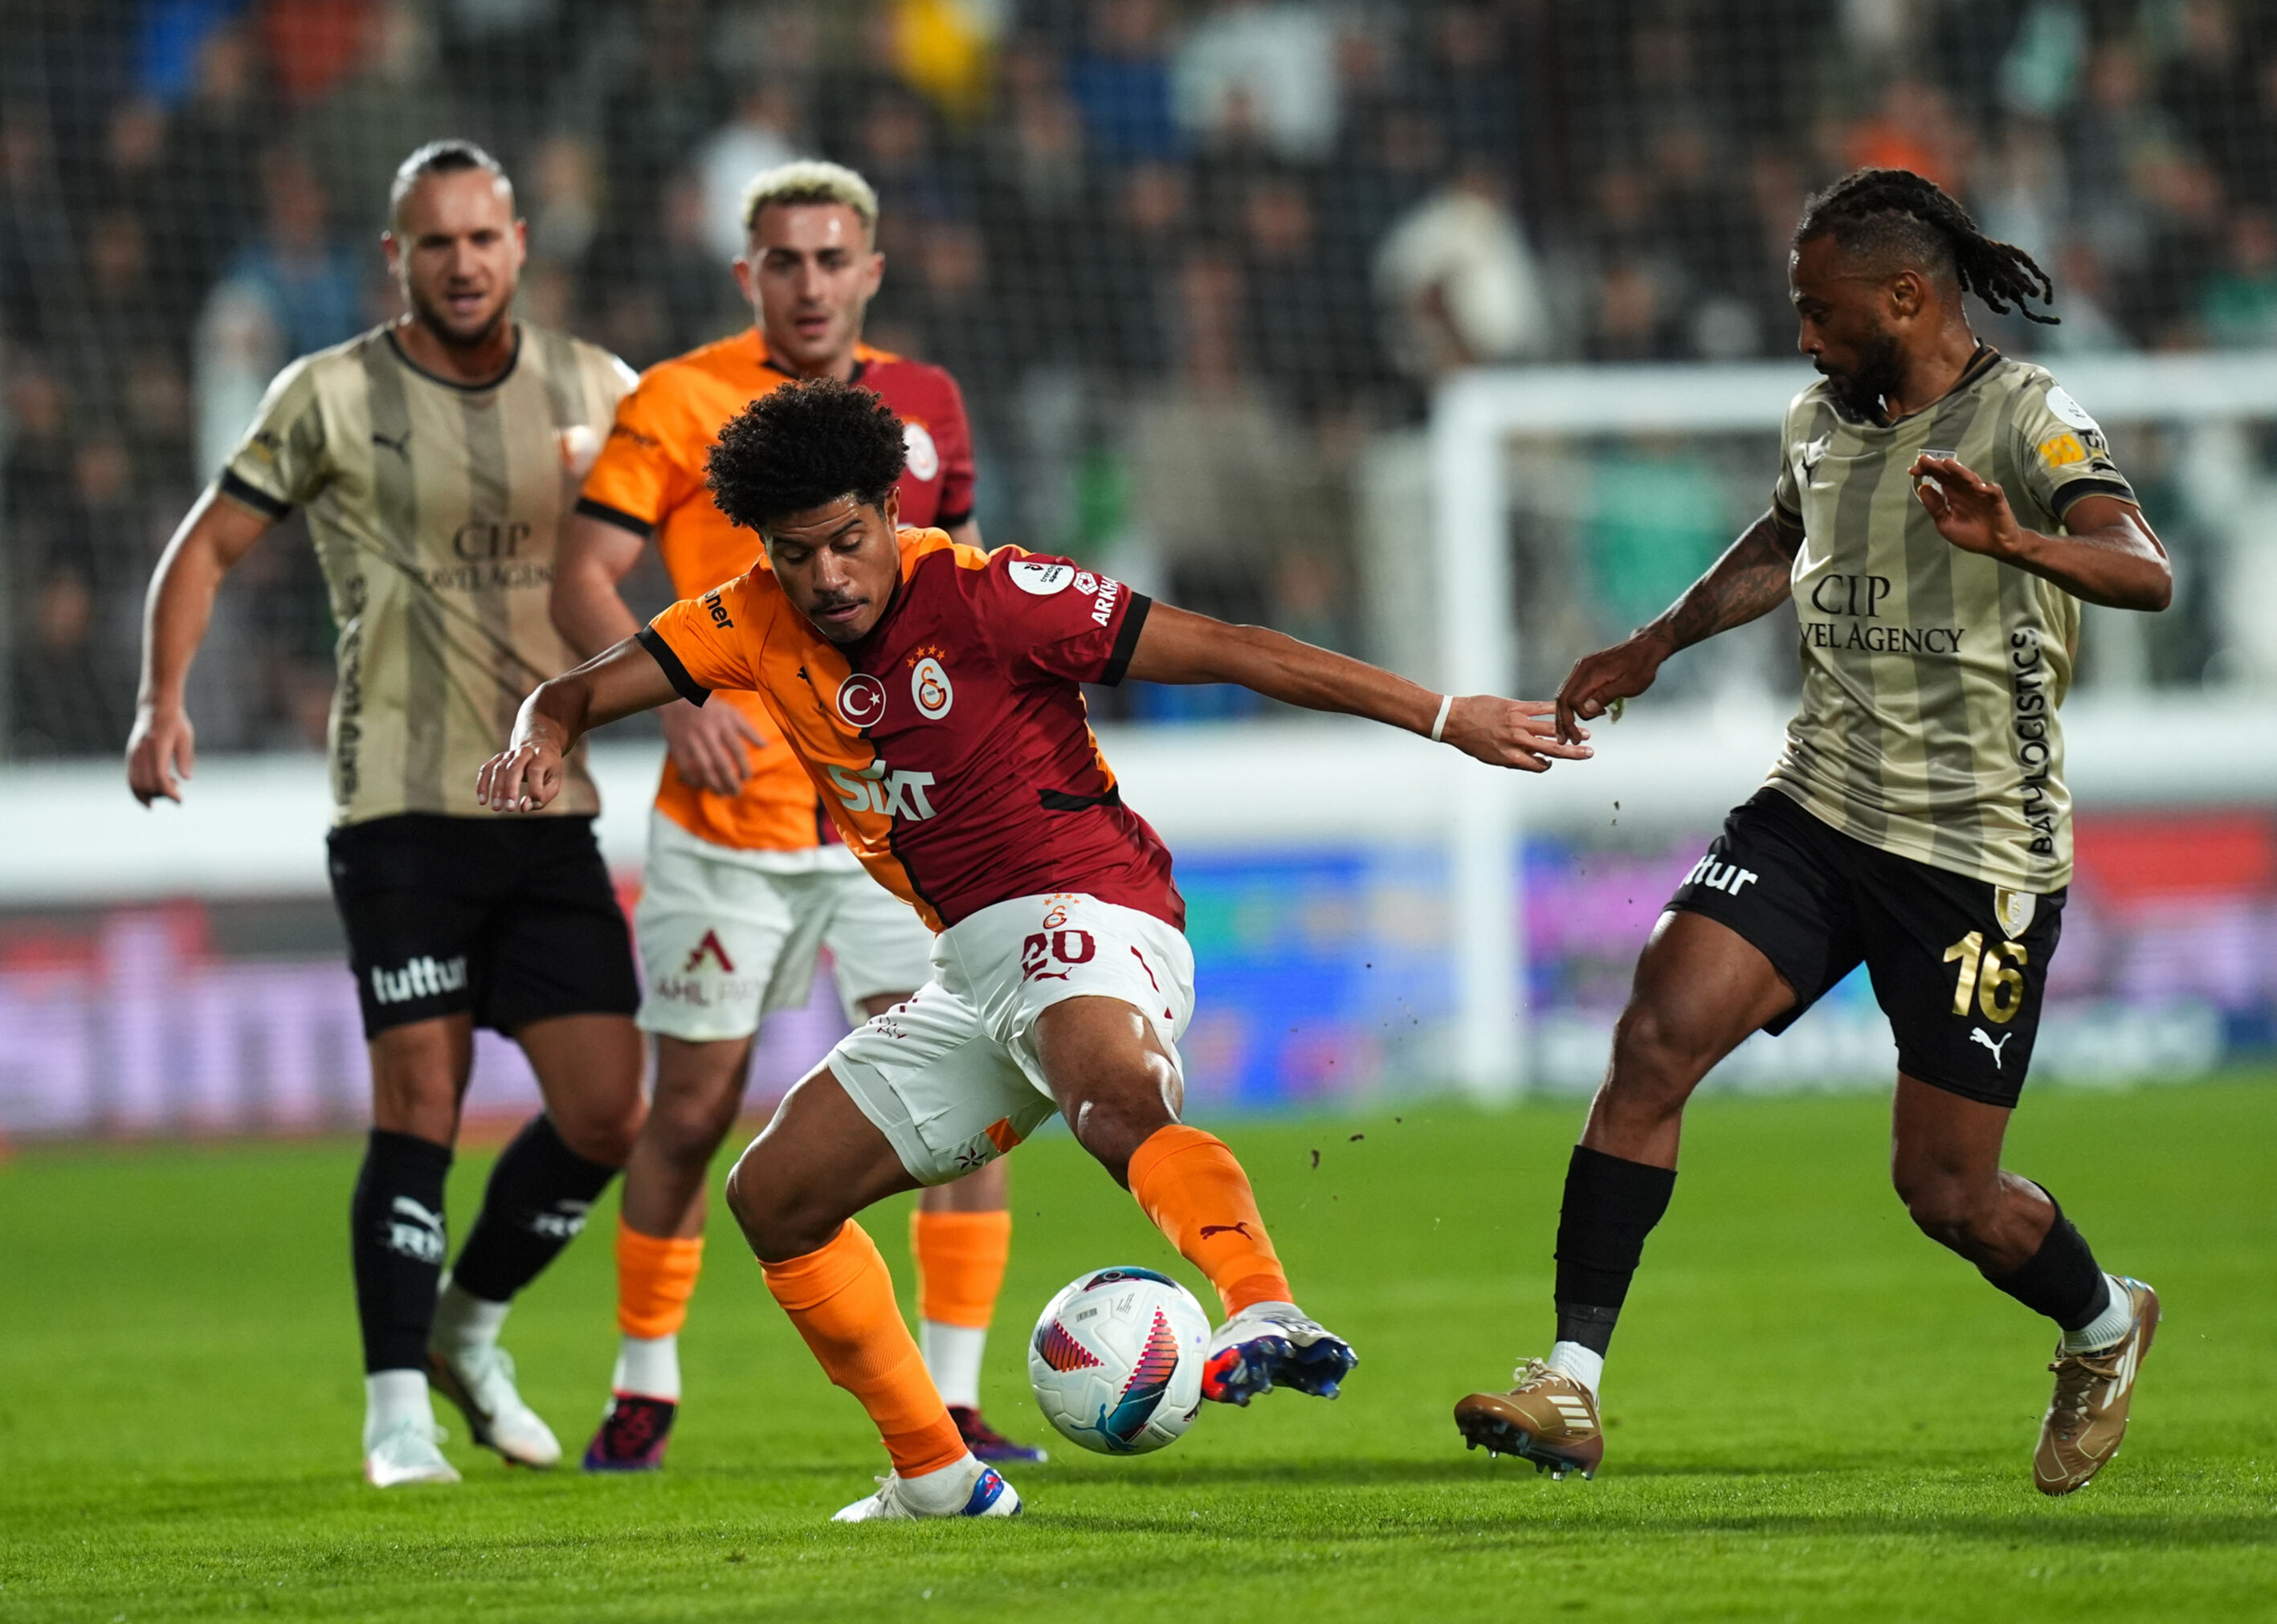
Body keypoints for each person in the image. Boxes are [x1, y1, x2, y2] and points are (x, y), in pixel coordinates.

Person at [478, 377, 1590, 1520]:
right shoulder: (746, 615)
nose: (828, 577)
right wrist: (539, 736)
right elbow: (570, 692)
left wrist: (1447, 714)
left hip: (1093, 909)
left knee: (1112, 1099)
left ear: (891, 507)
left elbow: (1232, 646)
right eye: (796, 553)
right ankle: (935, 1473)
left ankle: (1263, 1301)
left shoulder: (993, 594)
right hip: (973, 969)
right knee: (775, 1196)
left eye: (849, 541)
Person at [1453, 169, 2173, 1496]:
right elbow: (1783, 535)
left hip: (1979, 853)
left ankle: (2103, 1322)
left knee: (1949, 1192)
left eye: (1821, 310)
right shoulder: (1821, 420)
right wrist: (1656, 642)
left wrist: (2015, 540)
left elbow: (2145, 568)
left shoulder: (2029, 418)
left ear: (1907, 296)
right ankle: (1570, 1382)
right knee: (1654, 1034)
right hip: (1819, 806)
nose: (1804, 336)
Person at [127, 141, 646, 1487]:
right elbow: (207, 545)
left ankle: (471, 1332)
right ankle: (396, 1408)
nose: (462, 263)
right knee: (421, 1091)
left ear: (520, 242)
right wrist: (159, 699)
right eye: (435, 243)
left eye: (483, 239)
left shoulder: (602, 389)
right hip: (398, 806)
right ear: (395, 257)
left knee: (608, 1112)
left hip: (550, 802)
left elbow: (704, 525)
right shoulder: (328, 394)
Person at [554, 159, 1041, 1472]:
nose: (810, 283)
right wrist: (670, 706)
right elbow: (582, 575)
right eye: (786, 261)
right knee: (696, 1104)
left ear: (872, 270)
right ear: (747, 274)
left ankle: (957, 1392)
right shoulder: (677, 400)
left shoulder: (926, 403)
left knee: (955, 1098)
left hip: (900, 824)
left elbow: (970, 587)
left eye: (834, 260)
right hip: (730, 820)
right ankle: (644, 1380)